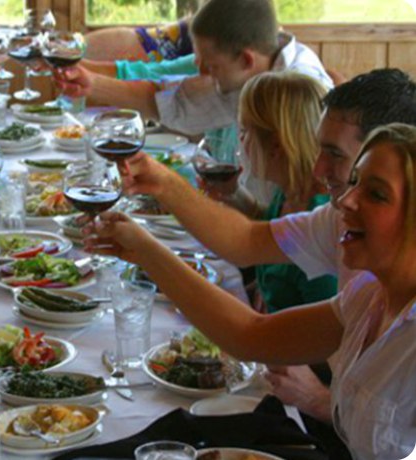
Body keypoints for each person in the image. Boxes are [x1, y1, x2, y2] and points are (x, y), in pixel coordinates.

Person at [89, 122, 416, 460]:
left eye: (376, 194)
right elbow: (250, 335)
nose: (346, 201)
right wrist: (142, 249)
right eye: (354, 183)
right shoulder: (368, 295)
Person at [55, 0, 332, 135]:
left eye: (211, 66)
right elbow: (173, 101)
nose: (199, 70)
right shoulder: (254, 70)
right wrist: (91, 83)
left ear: (246, 60)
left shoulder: (297, 94)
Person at [218, 71, 336, 312]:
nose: (240, 139)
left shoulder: (321, 223)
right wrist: (233, 193)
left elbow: (320, 343)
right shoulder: (291, 191)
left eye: (244, 130)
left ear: (275, 145)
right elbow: (269, 227)